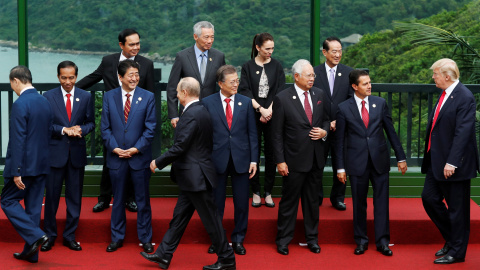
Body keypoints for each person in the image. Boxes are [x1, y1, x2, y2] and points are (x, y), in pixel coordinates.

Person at [141, 77, 236, 270]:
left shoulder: (192, 114)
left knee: (211, 221)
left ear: (184, 93)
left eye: (177, 92)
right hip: (194, 176)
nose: (176, 95)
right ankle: (164, 254)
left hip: (196, 177)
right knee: (179, 218)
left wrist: (157, 162)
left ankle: (227, 259)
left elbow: (180, 147)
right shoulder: (200, 111)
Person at [77, 28, 155, 213]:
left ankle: (130, 199)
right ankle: (104, 199)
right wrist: (70, 89)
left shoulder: (146, 64)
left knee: (133, 162)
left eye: (138, 43)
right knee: (109, 161)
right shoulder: (108, 61)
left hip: (135, 123)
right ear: (121, 45)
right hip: (113, 124)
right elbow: (93, 78)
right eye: (132, 44)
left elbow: (150, 93)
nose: (136, 47)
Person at [335, 69, 407, 256]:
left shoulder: (380, 103)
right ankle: (361, 241)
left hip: (379, 161)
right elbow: (339, 141)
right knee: (359, 204)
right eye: (365, 83)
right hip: (356, 163)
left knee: (381, 203)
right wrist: (341, 167)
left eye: (369, 82)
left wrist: (401, 157)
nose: (369, 86)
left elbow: (391, 132)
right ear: (354, 87)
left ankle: (383, 242)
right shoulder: (343, 108)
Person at [421, 59, 479, 264]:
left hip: (455, 165)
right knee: (429, 198)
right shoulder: (444, 94)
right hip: (436, 161)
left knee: (457, 210)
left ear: (447, 76)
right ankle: (453, 239)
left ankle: (457, 252)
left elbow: (463, 133)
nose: (433, 77)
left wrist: (452, 162)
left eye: (435, 74)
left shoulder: (464, 96)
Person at [272, 59, 330, 255]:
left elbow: (326, 119)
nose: (313, 78)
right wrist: (280, 161)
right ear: (296, 77)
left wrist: (324, 131)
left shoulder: (320, 94)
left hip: (315, 158)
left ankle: (312, 239)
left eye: (313, 75)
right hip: (293, 160)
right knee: (289, 202)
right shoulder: (282, 98)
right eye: (309, 75)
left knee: (312, 202)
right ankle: (283, 240)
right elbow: (276, 134)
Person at [202, 65, 258, 255]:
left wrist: (254, 160)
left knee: (241, 203)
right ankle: (217, 240)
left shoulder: (246, 102)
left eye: (237, 81)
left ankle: (238, 240)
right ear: (220, 84)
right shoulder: (208, 103)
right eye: (232, 82)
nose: (236, 84)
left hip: (241, 159)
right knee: (216, 204)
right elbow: (204, 135)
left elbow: (253, 134)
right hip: (216, 160)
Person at [101, 60, 156, 253]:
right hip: (116, 157)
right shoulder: (109, 97)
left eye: (136, 75)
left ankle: (146, 238)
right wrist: (115, 148)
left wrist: (135, 149)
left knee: (143, 200)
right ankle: (117, 237)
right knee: (118, 200)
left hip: (139, 157)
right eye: (130, 75)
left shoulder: (148, 97)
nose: (134, 78)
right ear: (121, 77)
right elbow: (105, 128)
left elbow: (150, 129)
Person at [42, 61, 95, 252]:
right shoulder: (48, 97)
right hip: (55, 156)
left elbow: (91, 123)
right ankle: (49, 235)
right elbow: (46, 126)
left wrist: (81, 129)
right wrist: (65, 130)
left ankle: (69, 236)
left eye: (71, 77)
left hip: (76, 156)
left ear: (76, 77)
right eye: (64, 77)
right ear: (58, 77)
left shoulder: (85, 96)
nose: (68, 81)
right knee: (52, 199)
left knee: (74, 199)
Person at [1, 66, 53, 263]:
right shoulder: (44, 101)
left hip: (24, 166)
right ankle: (31, 254)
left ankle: (35, 235)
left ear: (15, 80)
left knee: (7, 200)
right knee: (33, 208)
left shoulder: (21, 103)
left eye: (11, 83)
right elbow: (47, 134)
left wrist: (17, 171)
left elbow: (18, 139)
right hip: (42, 165)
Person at [238, 32, 285, 208]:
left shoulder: (277, 66)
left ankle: (268, 192)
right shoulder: (247, 66)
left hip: (273, 114)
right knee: (254, 152)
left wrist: (269, 110)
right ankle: (256, 191)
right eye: (267, 49)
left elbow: (280, 90)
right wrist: (260, 109)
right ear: (258, 47)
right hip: (253, 113)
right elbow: (244, 91)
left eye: (272, 48)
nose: (270, 52)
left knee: (272, 153)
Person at [313, 36, 353, 211]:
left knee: (341, 161)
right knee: (317, 163)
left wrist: (338, 119)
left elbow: (352, 100)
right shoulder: (315, 73)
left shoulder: (349, 73)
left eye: (340, 51)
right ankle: (317, 196)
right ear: (325, 52)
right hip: (320, 126)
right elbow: (312, 100)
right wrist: (326, 123)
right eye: (334, 51)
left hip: (342, 126)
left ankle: (338, 198)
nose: (338, 54)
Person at [167, 21, 226, 128]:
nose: (209, 41)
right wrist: (173, 115)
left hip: (212, 112)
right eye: (206, 37)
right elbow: (172, 87)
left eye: (212, 37)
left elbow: (224, 85)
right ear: (195, 36)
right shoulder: (182, 56)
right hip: (187, 112)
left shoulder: (219, 56)